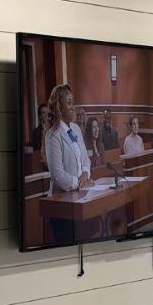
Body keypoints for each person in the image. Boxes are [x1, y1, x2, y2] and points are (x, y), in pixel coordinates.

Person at [43, 82, 93, 244]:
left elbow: (85, 159)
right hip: (62, 205)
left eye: (73, 102)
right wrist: (80, 183)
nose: (73, 107)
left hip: (79, 199)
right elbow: (58, 175)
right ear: (59, 107)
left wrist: (85, 173)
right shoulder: (53, 136)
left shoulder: (76, 129)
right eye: (69, 103)